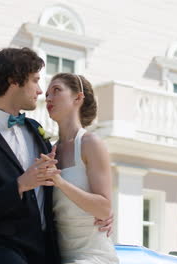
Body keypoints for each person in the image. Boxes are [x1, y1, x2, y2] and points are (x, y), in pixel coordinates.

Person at [0, 47, 112, 264]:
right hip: (2, 252)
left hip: (50, 252)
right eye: (35, 80)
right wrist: (19, 185)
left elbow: (69, 190)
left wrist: (103, 214)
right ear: (14, 80)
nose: (41, 91)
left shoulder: (36, 131)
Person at [42, 73, 119, 264]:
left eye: (56, 90)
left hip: (93, 257)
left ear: (78, 97)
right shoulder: (49, 149)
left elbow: (104, 209)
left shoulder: (90, 143)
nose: (48, 98)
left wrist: (60, 182)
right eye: (46, 95)